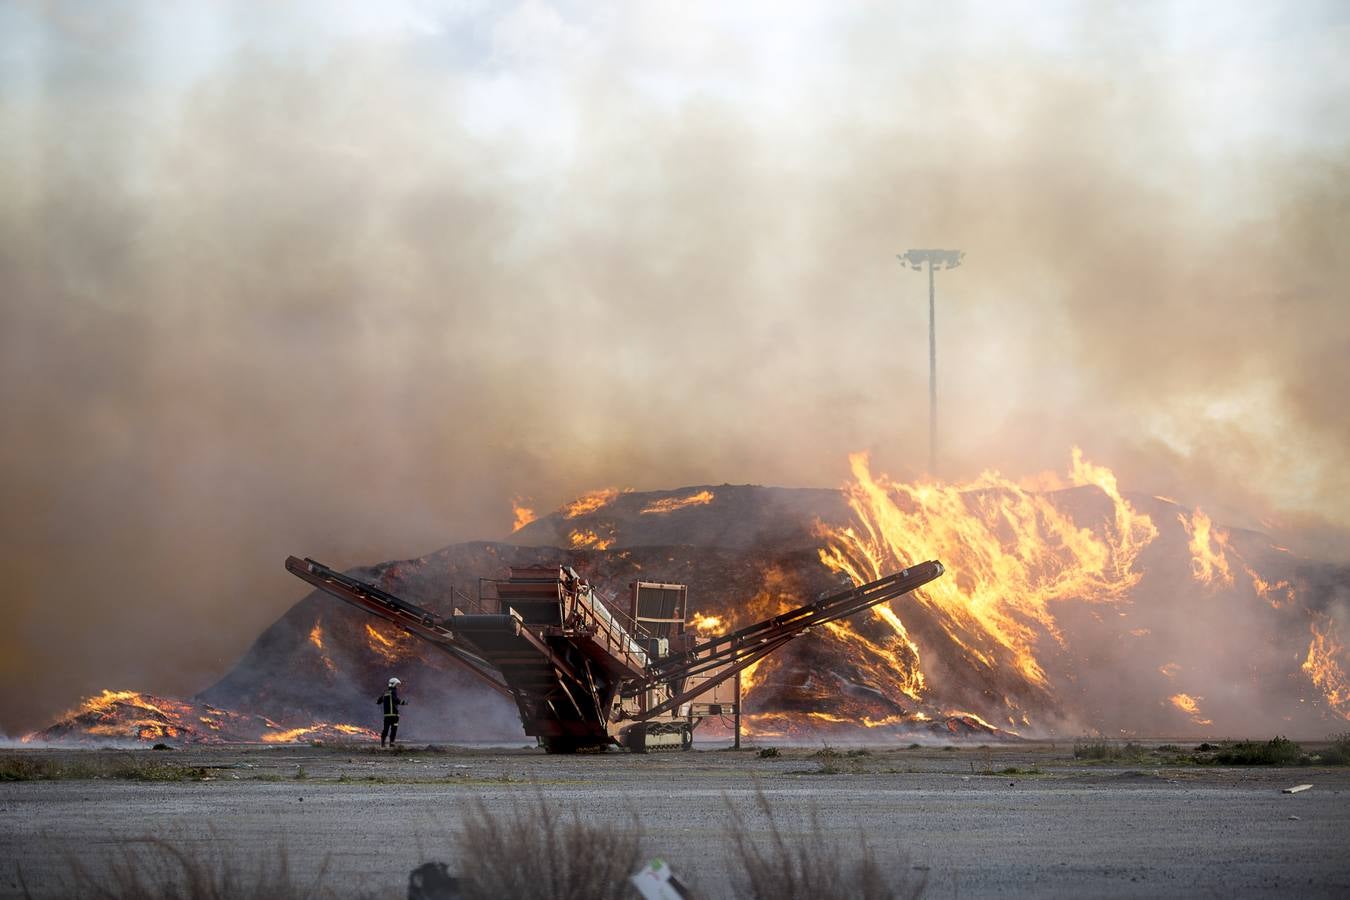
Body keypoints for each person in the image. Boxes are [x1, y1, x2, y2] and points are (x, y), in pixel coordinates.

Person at [377, 677, 407, 747]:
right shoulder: (393, 692)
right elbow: (396, 700)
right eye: (396, 685)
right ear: (393, 684)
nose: (397, 687)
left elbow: (378, 701)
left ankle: (383, 744)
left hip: (386, 715)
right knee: (394, 729)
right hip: (394, 715)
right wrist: (403, 702)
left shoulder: (385, 693)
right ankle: (392, 743)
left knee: (385, 729)